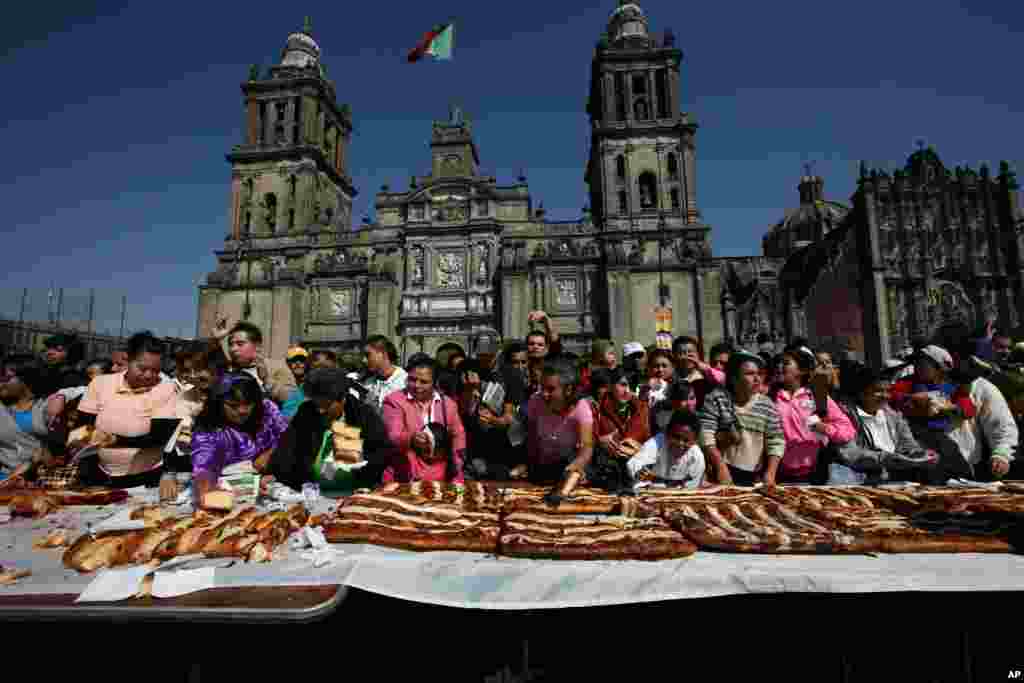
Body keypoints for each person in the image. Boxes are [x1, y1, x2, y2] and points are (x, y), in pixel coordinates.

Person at [74, 332, 180, 490]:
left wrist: (111, 440)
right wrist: (89, 472)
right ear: (128, 359)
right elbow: (82, 429)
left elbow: (159, 438)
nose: (149, 375)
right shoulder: (101, 384)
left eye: (156, 370)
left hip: (148, 477)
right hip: (100, 474)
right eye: (142, 368)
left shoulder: (165, 388)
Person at [264, 368, 392, 494]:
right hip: (310, 490)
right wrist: (275, 474)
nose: (320, 410)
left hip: (352, 491)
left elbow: (377, 456)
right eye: (317, 404)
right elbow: (288, 447)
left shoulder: (361, 415)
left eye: (326, 405)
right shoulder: (307, 412)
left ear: (342, 399)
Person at [189, 373, 288, 507]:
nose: (242, 411)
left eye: (248, 404)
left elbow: (288, 436)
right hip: (230, 495)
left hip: (277, 489)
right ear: (218, 402)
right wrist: (243, 489)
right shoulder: (208, 431)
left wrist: (270, 453)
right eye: (233, 405)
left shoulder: (266, 410)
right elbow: (203, 471)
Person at [830, 365, 938, 484]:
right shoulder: (844, 417)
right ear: (861, 393)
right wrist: (885, 458)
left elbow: (907, 445)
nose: (885, 396)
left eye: (888, 391)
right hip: (862, 482)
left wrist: (920, 454)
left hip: (896, 480)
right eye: (878, 391)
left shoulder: (894, 416)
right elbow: (850, 454)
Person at [699, 349, 785, 486]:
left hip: (754, 475)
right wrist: (720, 467)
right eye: (750, 374)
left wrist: (770, 473)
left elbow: (776, 440)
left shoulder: (767, 405)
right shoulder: (716, 398)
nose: (757, 379)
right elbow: (706, 435)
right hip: (721, 470)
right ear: (734, 378)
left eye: (759, 374)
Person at [772, 345, 855, 484]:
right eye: (778, 363)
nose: (779, 366)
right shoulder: (770, 397)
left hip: (815, 475)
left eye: (786, 363)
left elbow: (848, 431)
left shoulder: (818, 397)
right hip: (778, 475)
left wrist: (825, 428)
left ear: (802, 370)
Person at [382, 353, 466, 483]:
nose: (417, 386)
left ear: (435, 383)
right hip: (403, 478)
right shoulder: (394, 401)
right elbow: (394, 435)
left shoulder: (448, 404)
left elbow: (458, 437)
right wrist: (411, 438)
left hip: (441, 479)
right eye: (412, 379)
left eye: (424, 382)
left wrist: (456, 467)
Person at [525, 356, 594, 486]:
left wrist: (577, 466)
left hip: (569, 465)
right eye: (542, 388)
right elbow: (531, 439)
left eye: (551, 389)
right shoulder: (535, 401)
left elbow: (587, 447)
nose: (544, 394)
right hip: (543, 467)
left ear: (568, 390)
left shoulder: (581, 407)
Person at [208, 317, 297, 405]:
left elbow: (294, 400)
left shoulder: (276, 367)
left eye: (240, 344)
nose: (233, 349)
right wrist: (215, 340)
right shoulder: (227, 368)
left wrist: (267, 380)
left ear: (258, 347)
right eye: (230, 344)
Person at [0, 362, 59, 482]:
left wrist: (63, 395)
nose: (1, 384)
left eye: (6, 378)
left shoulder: (47, 407)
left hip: (43, 481)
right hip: (5, 479)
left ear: (25, 380)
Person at [627, 410, 705, 488]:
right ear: (667, 432)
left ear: (695, 441)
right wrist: (648, 477)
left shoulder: (696, 457)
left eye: (686, 440)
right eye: (676, 437)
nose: (680, 443)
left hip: (679, 496)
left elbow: (692, 486)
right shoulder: (656, 444)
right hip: (648, 492)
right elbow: (634, 465)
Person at [595, 367, 651, 460]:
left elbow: (648, 441)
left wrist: (640, 450)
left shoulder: (642, 408)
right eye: (623, 385)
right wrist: (599, 441)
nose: (627, 391)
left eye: (632, 386)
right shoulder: (597, 408)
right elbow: (584, 441)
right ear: (610, 385)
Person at [363, 335, 407, 412]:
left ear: (383, 354)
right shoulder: (368, 383)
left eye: (368, 355)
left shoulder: (404, 383)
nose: (364, 360)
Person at [280, 346, 310, 420]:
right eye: (294, 360)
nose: (298, 363)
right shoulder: (282, 384)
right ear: (288, 363)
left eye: (301, 360)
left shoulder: (311, 385)